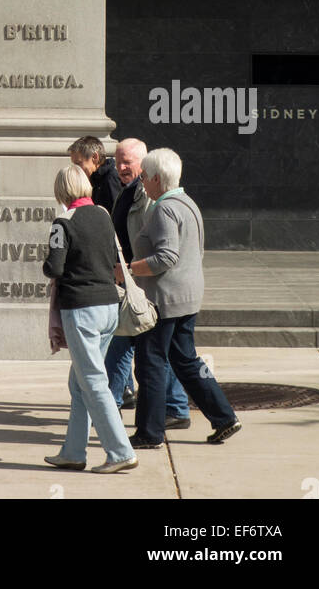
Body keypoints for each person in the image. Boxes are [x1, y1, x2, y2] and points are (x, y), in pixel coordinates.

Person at [126, 148, 241, 450]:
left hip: (164, 300)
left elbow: (166, 256)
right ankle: (224, 417)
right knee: (185, 360)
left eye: (144, 178)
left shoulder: (164, 209)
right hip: (187, 297)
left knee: (150, 364)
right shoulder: (187, 202)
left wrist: (128, 269)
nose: (142, 183)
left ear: (155, 178)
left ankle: (149, 434)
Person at [42, 164, 138, 474]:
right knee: (80, 382)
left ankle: (120, 451)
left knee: (93, 382)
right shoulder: (103, 215)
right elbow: (112, 259)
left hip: (81, 309)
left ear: (61, 191)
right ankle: (73, 452)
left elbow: (54, 268)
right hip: (109, 307)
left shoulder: (63, 222)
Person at [105, 138, 190, 428]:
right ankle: (175, 406)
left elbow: (162, 250)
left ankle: (113, 405)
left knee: (126, 345)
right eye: (118, 161)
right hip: (133, 280)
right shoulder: (130, 191)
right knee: (159, 352)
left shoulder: (152, 198)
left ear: (146, 165)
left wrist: (132, 271)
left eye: (127, 162)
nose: (121, 167)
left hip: (142, 283)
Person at [67, 135, 123, 212]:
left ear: (95, 157)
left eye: (79, 163)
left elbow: (117, 214)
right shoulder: (93, 179)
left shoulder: (111, 178)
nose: (76, 169)